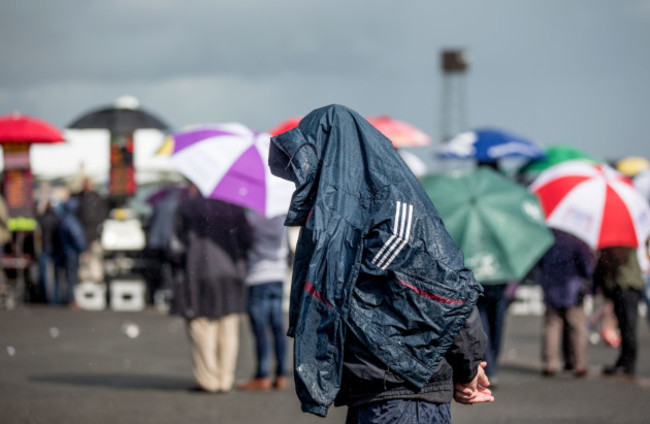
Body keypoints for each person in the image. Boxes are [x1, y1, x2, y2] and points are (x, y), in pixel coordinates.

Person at [268, 104, 493, 422]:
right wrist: (467, 367)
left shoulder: (390, 212)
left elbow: (449, 295)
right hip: (375, 391)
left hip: (405, 392)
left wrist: (468, 368)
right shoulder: (339, 217)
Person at [169, 185, 252, 393]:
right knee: (228, 325)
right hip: (231, 273)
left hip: (197, 272)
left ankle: (208, 379)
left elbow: (175, 248)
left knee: (201, 325)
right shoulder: (234, 208)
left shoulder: (187, 208)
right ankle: (225, 378)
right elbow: (247, 240)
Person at [237, 211, 290, 391]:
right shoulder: (282, 218)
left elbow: (244, 244)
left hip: (258, 276)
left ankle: (262, 374)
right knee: (277, 327)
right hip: (278, 275)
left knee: (260, 328)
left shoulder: (252, 219)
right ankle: (281, 373)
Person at [536, 229, 594, 377]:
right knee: (577, 327)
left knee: (552, 327)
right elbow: (587, 266)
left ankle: (550, 363)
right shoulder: (576, 239)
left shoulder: (547, 237)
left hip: (551, 287)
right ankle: (579, 363)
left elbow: (539, 263)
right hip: (572, 289)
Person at [595, 246, 644, 378]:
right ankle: (624, 361)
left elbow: (618, 261)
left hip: (626, 286)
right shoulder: (627, 243)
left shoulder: (622, 246)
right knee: (624, 326)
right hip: (626, 285)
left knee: (628, 326)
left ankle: (628, 363)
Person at [74, 177, 108, 285]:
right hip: (82, 234)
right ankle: (84, 278)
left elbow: (102, 214)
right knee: (84, 259)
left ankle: (97, 278)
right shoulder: (79, 198)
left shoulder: (97, 198)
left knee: (96, 257)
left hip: (94, 233)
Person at [56, 197, 87, 307]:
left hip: (65, 251)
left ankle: (67, 298)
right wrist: (84, 249)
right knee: (72, 277)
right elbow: (77, 236)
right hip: (72, 252)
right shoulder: (71, 220)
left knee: (66, 277)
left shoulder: (62, 218)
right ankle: (71, 300)